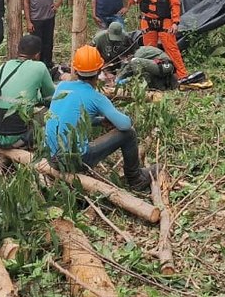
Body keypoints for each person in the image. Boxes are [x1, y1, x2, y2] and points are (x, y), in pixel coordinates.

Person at [45, 45, 153, 191]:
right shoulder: (96, 98)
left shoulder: (61, 86)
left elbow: (72, 117)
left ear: (75, 70)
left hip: (52, 158)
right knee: (129, 134)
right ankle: (136, 178)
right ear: (100, 70)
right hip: (74, 161)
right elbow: (125, 125)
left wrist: (100, 121)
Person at [0, 35, 55, 149]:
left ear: (18, 50)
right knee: (52, 113)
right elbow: (52, 97)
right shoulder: (39, 67)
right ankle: (28, 139)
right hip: (15, 139)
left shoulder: (3, 66)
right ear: (38, 54)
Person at [133, 0, 188, 79]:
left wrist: (175, 22)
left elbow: (175, 4)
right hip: (147, 20)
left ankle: (182, 75)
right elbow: (135, 0)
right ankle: (149, 76)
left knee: (172, 48)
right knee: (148, 50)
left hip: (165, 21)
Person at [23, 0, 65, 68]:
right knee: (37, 44)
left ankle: (48, 65)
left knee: (48, 43)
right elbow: (26, 2)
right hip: (36, 18)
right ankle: (37, 66)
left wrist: (57, 3)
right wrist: (28, 21)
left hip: (49, 16)